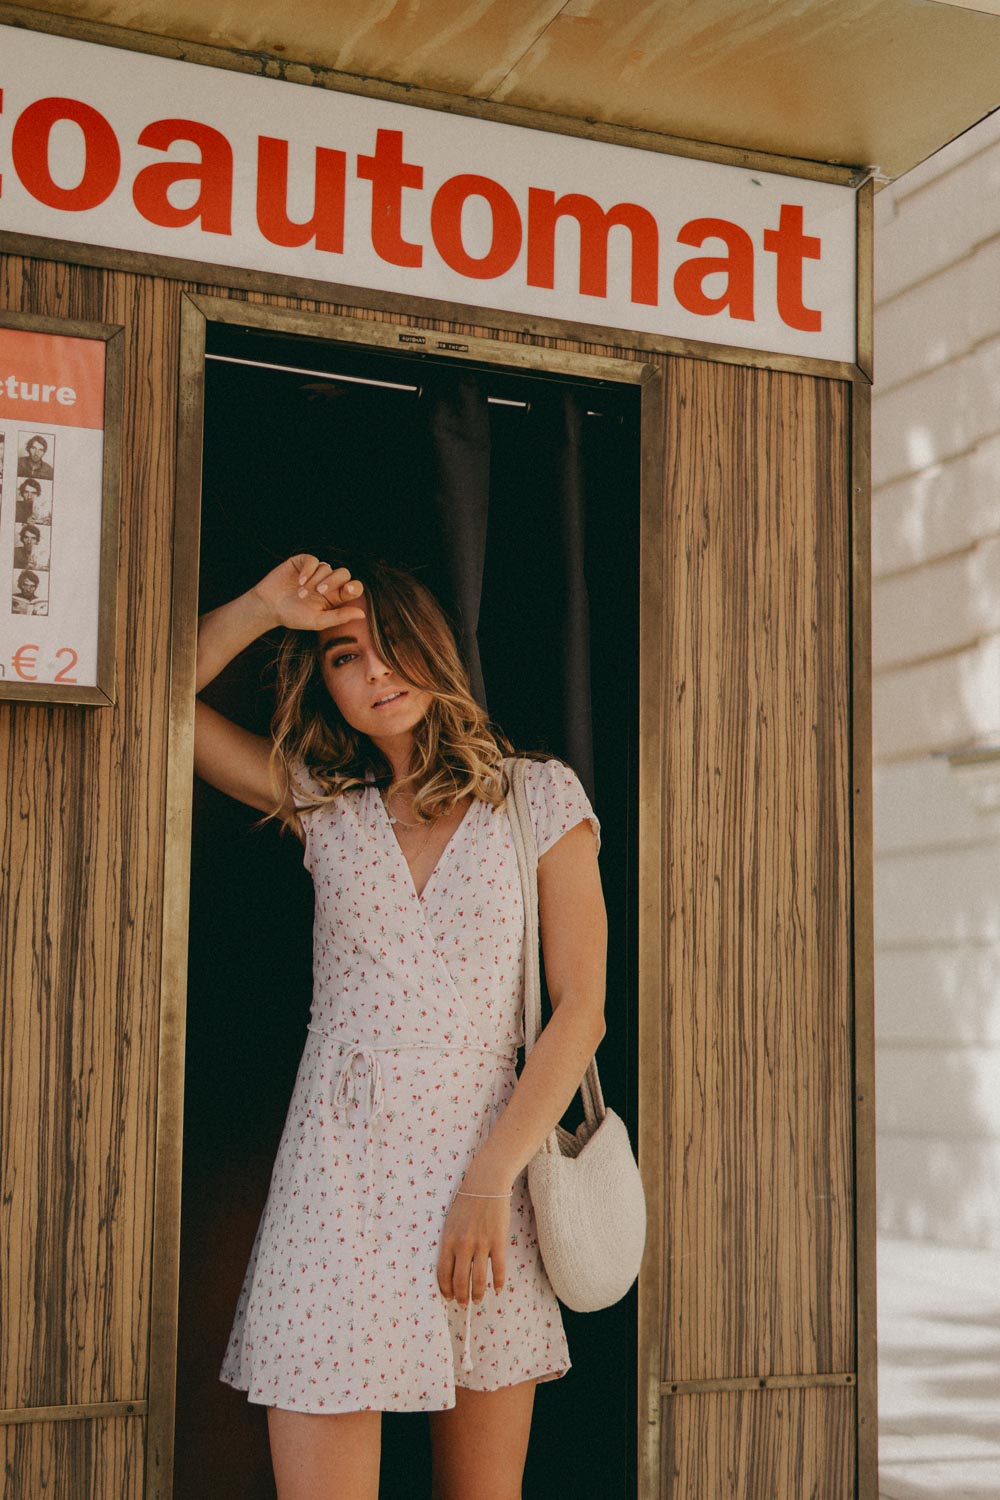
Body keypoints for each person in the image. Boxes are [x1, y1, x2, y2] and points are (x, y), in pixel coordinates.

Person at [194, 554, 607, 1500]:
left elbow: (580, 1011)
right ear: (326, 681)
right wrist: (264, 607)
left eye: (392, 645)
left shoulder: (535, 795)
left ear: (437, 648)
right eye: (345, 656)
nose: (375, 671)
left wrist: (487, 1183)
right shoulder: (325, 804)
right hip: (335, 1182)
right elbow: (157, 700)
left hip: (484, 1174)